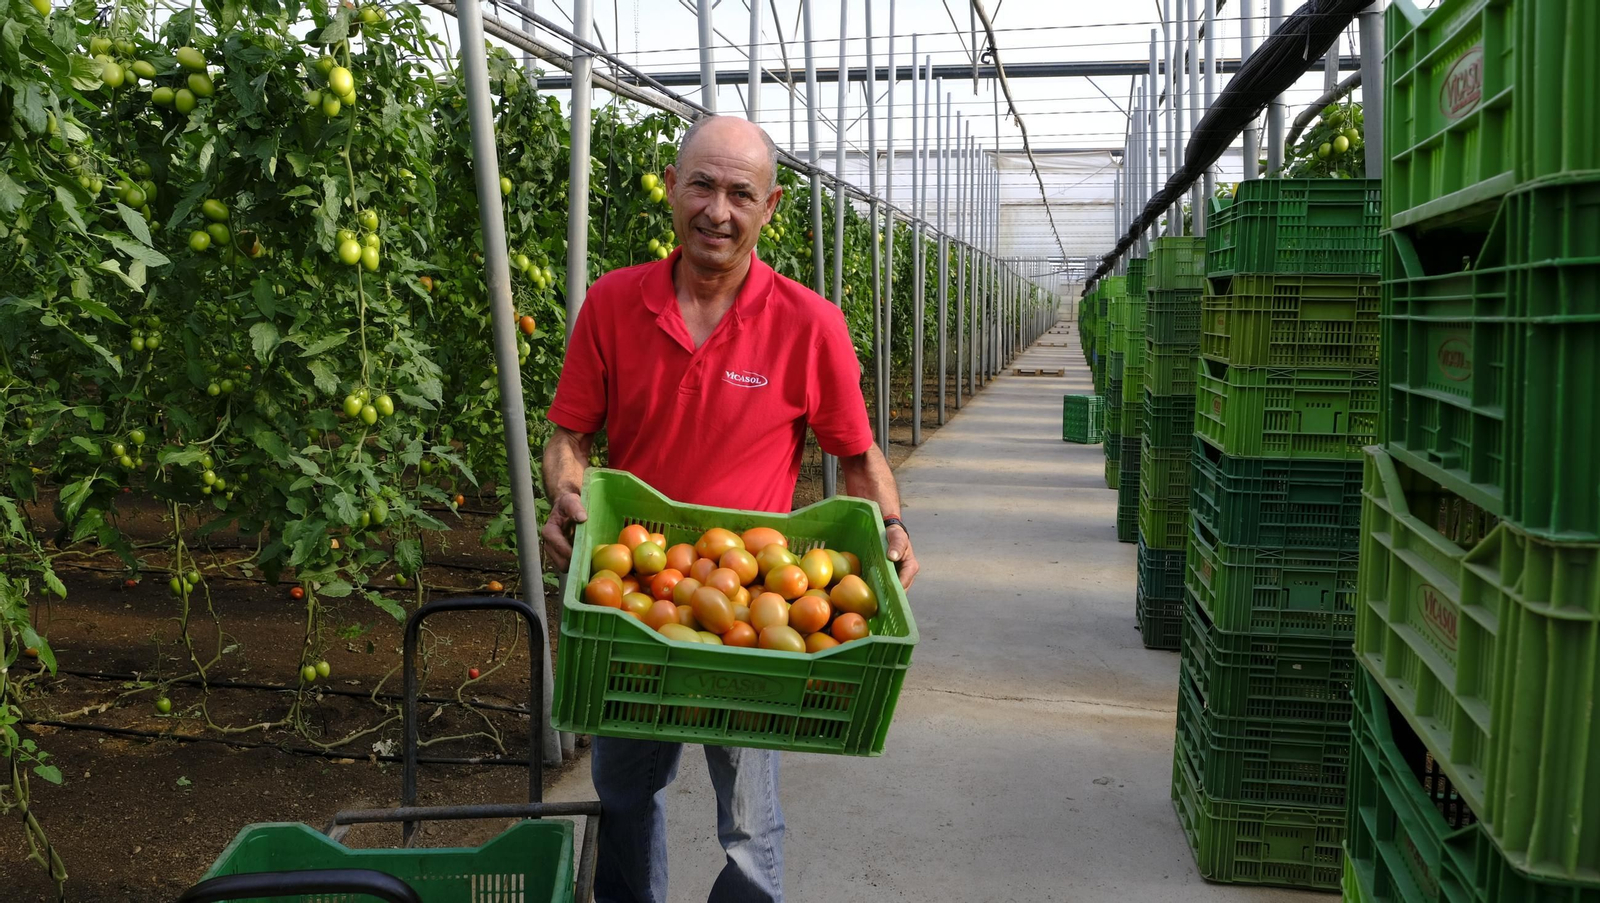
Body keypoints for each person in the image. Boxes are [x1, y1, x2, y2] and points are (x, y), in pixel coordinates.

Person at [540, 115, 919, 903]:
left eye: (741, 193)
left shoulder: (809, 322)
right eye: (703, 185)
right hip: (636, 604)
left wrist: (891, 524)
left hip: (755, 603)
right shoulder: (613, 303)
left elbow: (856, 454)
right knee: (623, 795)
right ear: (671, 189)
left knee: (749, 823)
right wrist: (566, 492)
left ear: (770, 206)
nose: (719, 209)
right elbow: (569, 434)